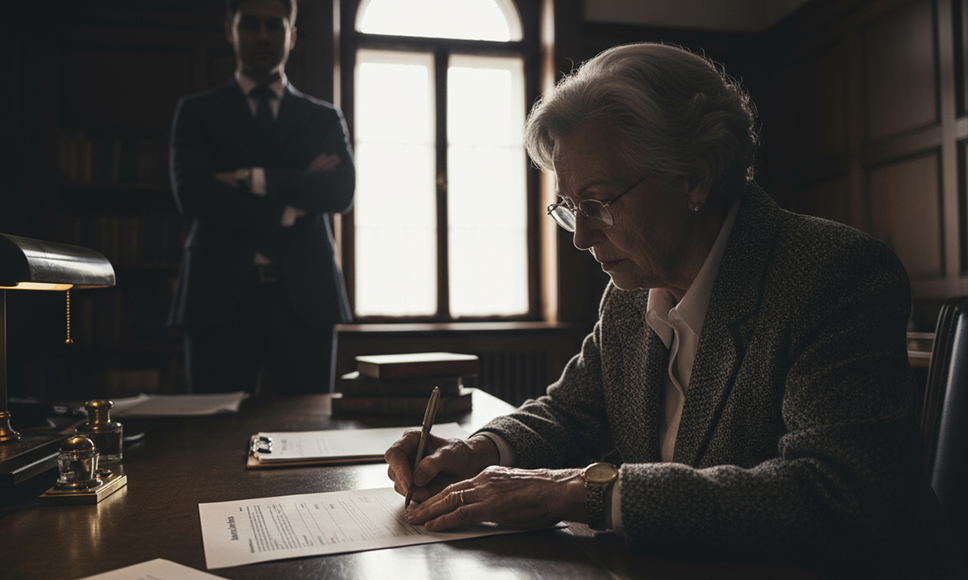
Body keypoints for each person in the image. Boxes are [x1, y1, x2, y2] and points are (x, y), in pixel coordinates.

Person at [385, 43, 963, 578]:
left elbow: (837, 493)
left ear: (695, 176)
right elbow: (572, 413)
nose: (581, 238)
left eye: (599, 204)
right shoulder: (634, 291)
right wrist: (476, 453)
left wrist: (582, 492)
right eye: (567, 208)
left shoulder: (831, 275)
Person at [168, 0, 354, 395]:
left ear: (292, 34)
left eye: (275, 25)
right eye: (250, 24)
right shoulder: (196, 112)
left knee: (309, 432)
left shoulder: (322, 117)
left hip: (306, 296)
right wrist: (292, 202)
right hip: (217, 296)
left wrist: (245, 178)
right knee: (212, 436)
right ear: (230, 31)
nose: (263, 36)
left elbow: (338, 191)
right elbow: (194, 195)